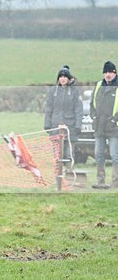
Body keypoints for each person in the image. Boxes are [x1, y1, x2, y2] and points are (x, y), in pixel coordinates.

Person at [43, 65, 82, 162]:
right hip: (55, 127)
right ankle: (57, 171)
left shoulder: (74, 91)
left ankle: (69, 170)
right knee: (57, 155)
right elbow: (49, 109)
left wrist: (78, 125)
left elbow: (78, 110)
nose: (63, 79)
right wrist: (47, 124)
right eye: (60, 77)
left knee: (69, 155)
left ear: (69, 78)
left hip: (70, 128)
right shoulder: (53, 91)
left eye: (65, 77)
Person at [89, 60, 118, 189]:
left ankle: (115, 182)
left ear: (115, 73)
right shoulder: (99, 85)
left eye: (110, 72)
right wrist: (94, 117)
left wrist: (113, 120)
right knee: (98, 154)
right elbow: (92, 104)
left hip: (114, 128)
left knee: (114, 155)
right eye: (105, 72)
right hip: (99, 127)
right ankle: (100, 181)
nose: (108, 75)